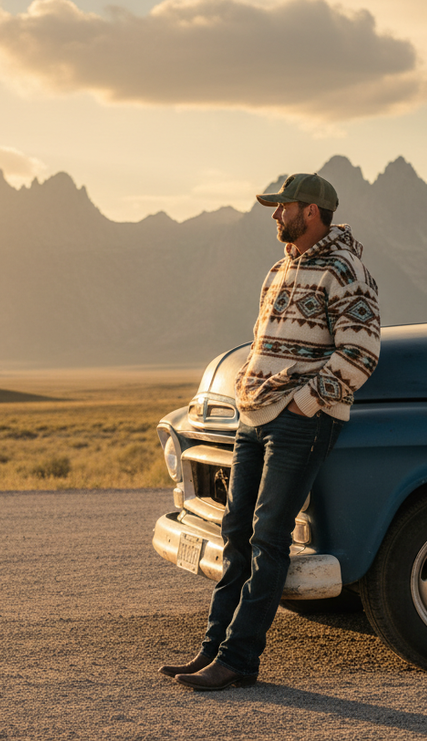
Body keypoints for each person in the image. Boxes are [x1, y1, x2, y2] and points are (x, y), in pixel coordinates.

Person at [161, 172, 381, 690]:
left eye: (284, 206)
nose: (275, 214)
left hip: (299, 424)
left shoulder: (346, 270)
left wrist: (305, 402)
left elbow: (361, 351)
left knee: (268, 538)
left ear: (312, 211)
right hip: (253, 419)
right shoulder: (278, 270)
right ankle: (213, 649)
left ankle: (239, 660)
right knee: (236, 532)